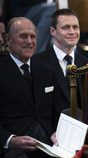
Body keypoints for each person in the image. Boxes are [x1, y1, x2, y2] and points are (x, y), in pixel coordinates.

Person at [0, 17, 60, 158]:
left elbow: (58, 109)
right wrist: (10, 140)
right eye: (23, 36)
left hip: (48, 145)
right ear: (8, 40)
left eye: (33, 36)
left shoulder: (47, 71)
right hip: (12, 149)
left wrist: (58, 132)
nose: (29, 41)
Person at [33, 8, 88, 116]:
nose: (72, 32)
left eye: (75, 27)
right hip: (51, 130)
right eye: (66, 27)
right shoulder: (37, 63)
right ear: (52, 31)